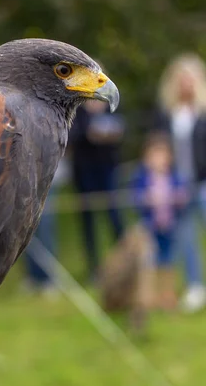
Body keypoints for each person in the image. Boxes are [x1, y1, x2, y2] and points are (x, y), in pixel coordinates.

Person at [153, 54, 206, 311]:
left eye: (190, 79)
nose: (186, 84)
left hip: (203, 182)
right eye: (181, 79)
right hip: (177, 186)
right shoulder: (166, 114)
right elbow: (160, 150)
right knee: (186, 238)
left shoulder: (203, 112)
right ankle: (195, 286)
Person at [132, 133, 189, 309]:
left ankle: (168, 295)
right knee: (151, 262)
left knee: (169, 261)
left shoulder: (175, 176)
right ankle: (151, 297)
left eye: (162, 155)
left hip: (170, 226)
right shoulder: (142, 178)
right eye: (154, 155)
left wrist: (179, 198)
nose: (159, 160)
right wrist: (146, 199)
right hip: (151, 226)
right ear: (146, 158)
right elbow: (136, 199)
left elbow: (184, 196)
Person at [69, 99, 125, 280]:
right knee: (88, 220)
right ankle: (94, 267)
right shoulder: (76, 108)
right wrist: (88, 133)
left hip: (108, 169)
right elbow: (71, 135)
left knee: (115, 216)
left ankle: (125, 262)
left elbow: (122, 129)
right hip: (84, 172)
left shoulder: (110, 105)